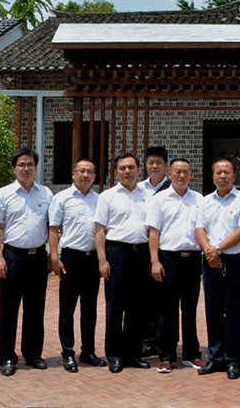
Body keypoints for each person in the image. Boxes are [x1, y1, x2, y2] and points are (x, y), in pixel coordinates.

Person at [0, 148, 53, 376]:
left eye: (30, 164)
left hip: (38, 257)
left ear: (36, 167)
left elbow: (52, 227)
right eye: (21, 165)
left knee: (35, 308)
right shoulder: (4, 194)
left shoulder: (46, 194)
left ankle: (33, 354)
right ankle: (7, 356)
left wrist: (53, 255)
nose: (26, 168)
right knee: (8, 309)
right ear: (14, 168)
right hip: (13, 257)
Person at [195, 157, 240, 380]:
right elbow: (199, 229)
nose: (222, 176)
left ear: (234, 175)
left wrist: (217, 249)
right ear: (213, 176)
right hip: (210, 261)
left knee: (234, 311)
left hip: (236, 261)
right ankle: (215, 357)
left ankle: (233, 359)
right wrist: (209, 252)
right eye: (218, 173)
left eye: (226, 172)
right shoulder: (205, 201)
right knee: (213, 310)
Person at [146, 158, 206, 374]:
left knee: (190, 308)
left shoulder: (199, 199)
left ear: (191, 174)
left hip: (192, 260)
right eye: (177, 172)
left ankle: (191, 353)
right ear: (170, 174)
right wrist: (154, 261)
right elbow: (153, 232)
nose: (181, 176)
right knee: (167, 308)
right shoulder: (159, 199)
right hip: (168, 259)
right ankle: (167, 355)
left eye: (185, 172)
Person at [95, 152, 152, 373]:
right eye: (122, 168)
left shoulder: (148, 195)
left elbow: (153, 229)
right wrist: (102, 260)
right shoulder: (107, 196)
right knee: (115, 305)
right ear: (116, 171)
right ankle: (114, 355)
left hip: (141, 253)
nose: (127, 171)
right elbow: (100, 230)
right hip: (116, 253)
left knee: (137, 306)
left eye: (131, 167)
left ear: (138, 170)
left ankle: (133, 354)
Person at [48, 159, 106, 372]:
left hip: (92, 260)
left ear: (95, 177)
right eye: (81, 171)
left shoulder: (99, 200)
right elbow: (53, 229)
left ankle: (88, 352)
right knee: (67, 308)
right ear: (73, 174)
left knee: (89, 309)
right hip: (71, 258)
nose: (85, 175)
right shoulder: (62, 198)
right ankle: (68, 352)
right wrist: (54, 257)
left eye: (90, 172)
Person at [139, 146, 170, 358]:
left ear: (165, 165)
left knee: (163, 297)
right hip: (142, 249)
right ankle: (146, 339)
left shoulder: (172, 188)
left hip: (164, 251)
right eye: (151, 162)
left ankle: (162, 340)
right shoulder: (138, 189)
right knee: (144, 296)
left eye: (159, 162)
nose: (155, 166)